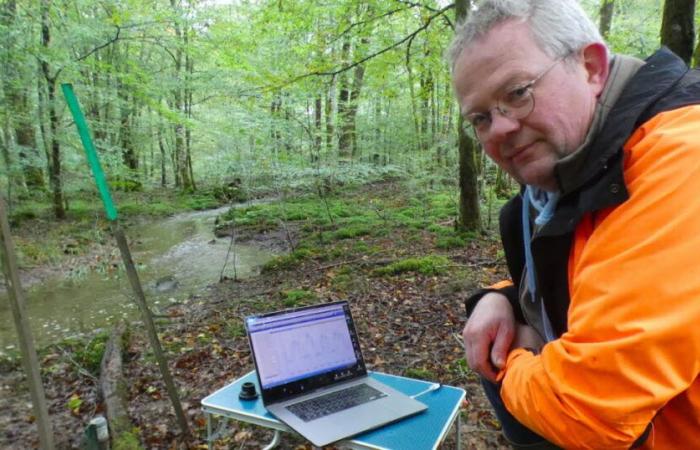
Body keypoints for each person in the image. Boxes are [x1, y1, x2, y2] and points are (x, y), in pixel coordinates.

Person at [448, 0, 700, 448]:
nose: (500, 129)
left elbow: (586, 412)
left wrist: (513, 354)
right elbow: (597, 268)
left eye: (518, 92)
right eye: (481, 118)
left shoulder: (679, 159)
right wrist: (501, 297)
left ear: (591, 67)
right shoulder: (570, 179)